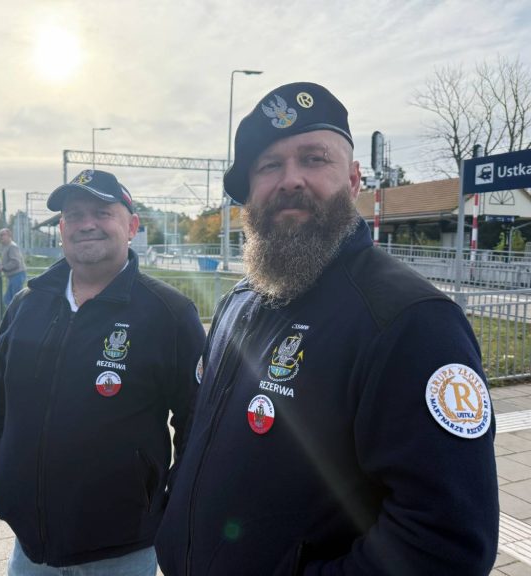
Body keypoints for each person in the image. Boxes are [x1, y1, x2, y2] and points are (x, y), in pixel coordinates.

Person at [155, 82, 500, 576]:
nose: (290, 180)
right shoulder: (238, 301)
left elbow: (444, 544)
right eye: (269, 166)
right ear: (249, 193)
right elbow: (201, 432)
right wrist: (174, 507)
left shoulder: (410, 321)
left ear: (354, 180)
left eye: (314, 159)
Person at [0, 169, 205, 575]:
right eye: (75, 215)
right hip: (31, 546)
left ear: (131, 226)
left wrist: (169, 500)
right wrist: (2, 467)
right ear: (62, 229)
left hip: (121, 549)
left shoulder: (169, 313)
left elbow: (196, 420)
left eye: (102, 212)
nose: (87, 224)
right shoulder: (27, 304)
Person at [0, 228, 27, 307]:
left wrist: (3, 267)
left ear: (9, 235)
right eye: (0, 235)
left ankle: (18, 314)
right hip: (13, 276)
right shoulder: (6, 246)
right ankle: (14, 314)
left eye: (2, 235)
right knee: (8, 299)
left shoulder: (12, 246)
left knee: (15, 300)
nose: (0, 237)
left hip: (17, 275)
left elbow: (15, 262)